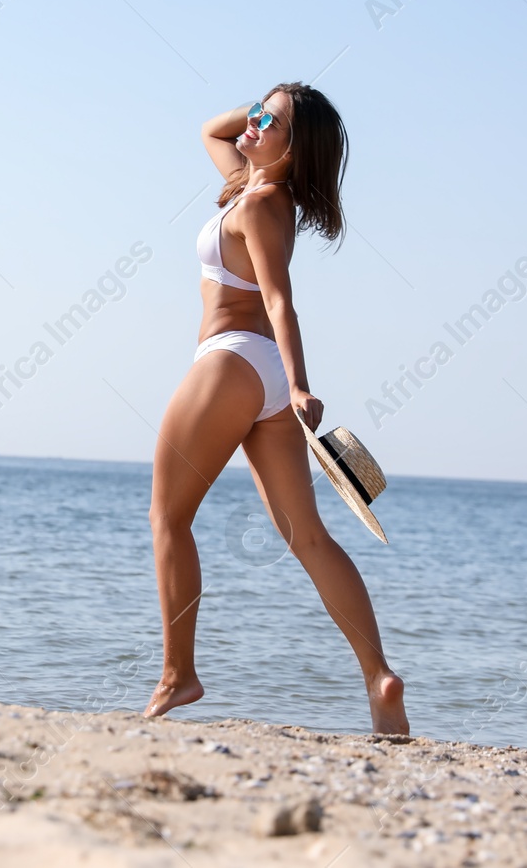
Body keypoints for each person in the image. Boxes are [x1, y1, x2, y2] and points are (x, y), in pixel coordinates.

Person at [142, 83, 409, 734]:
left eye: (270, 123)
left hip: (234, 361)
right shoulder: (255, 185)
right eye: (257, 116)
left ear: (296, 149)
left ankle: (180, 674)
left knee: (168, 516)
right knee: (307, 536)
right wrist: (276, 100)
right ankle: (379, 677)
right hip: (256, 376)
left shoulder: (260, 201)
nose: (252, 125)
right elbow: (213, 129)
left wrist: (299, 383)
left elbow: (280, 298)